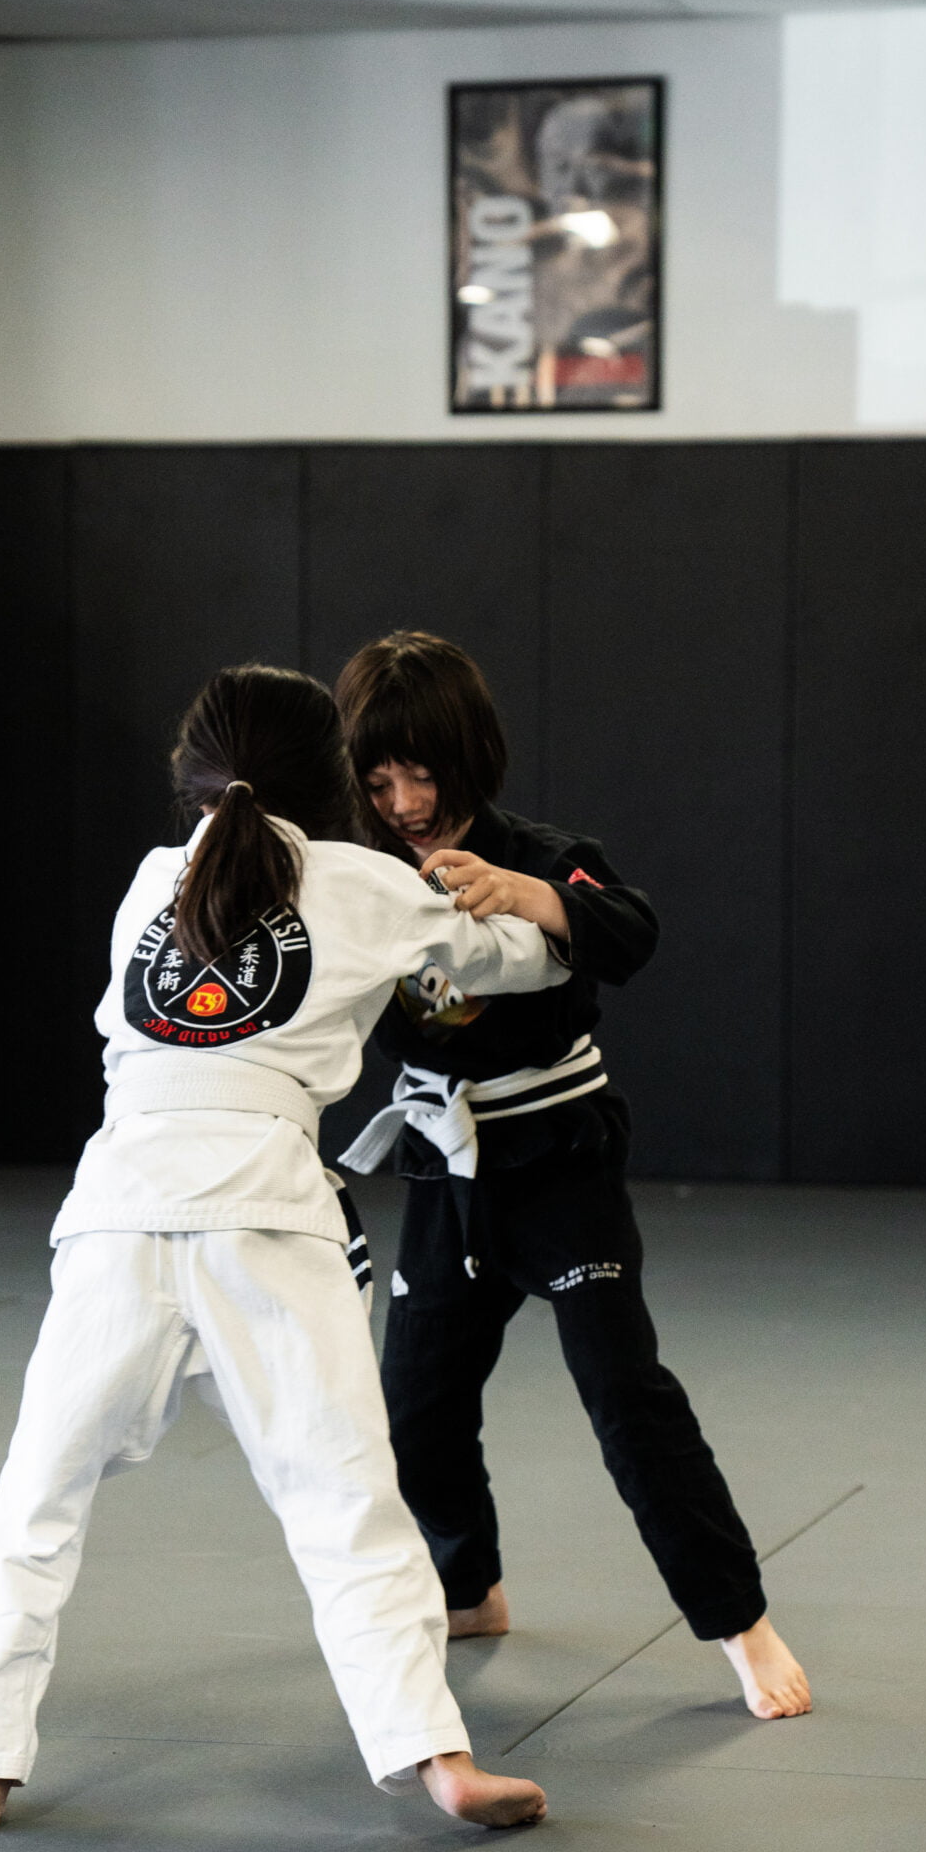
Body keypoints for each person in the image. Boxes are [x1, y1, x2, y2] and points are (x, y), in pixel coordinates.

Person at [0, 664, 569, 1838]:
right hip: (265, 1209)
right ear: (333, 784)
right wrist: (526, 895)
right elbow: (530, 960)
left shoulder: (152, 881)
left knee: (36, 1501)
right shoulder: (368, 881)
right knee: (349, 1499)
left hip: (120, 1206)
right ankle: (439, 1758)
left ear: (195, 776)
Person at [334, 632, 810, 1721]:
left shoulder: (543, 850)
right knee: (415, 1402)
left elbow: (633, 928)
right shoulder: (359, 871)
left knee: (624, 1392)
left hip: (558, 1164)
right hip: (446, 1170)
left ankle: (739, 1619)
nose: (406, 800)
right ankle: (467, 1583)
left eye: (424, 772)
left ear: (473, 753)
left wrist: (528, 894)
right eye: (380, 779)